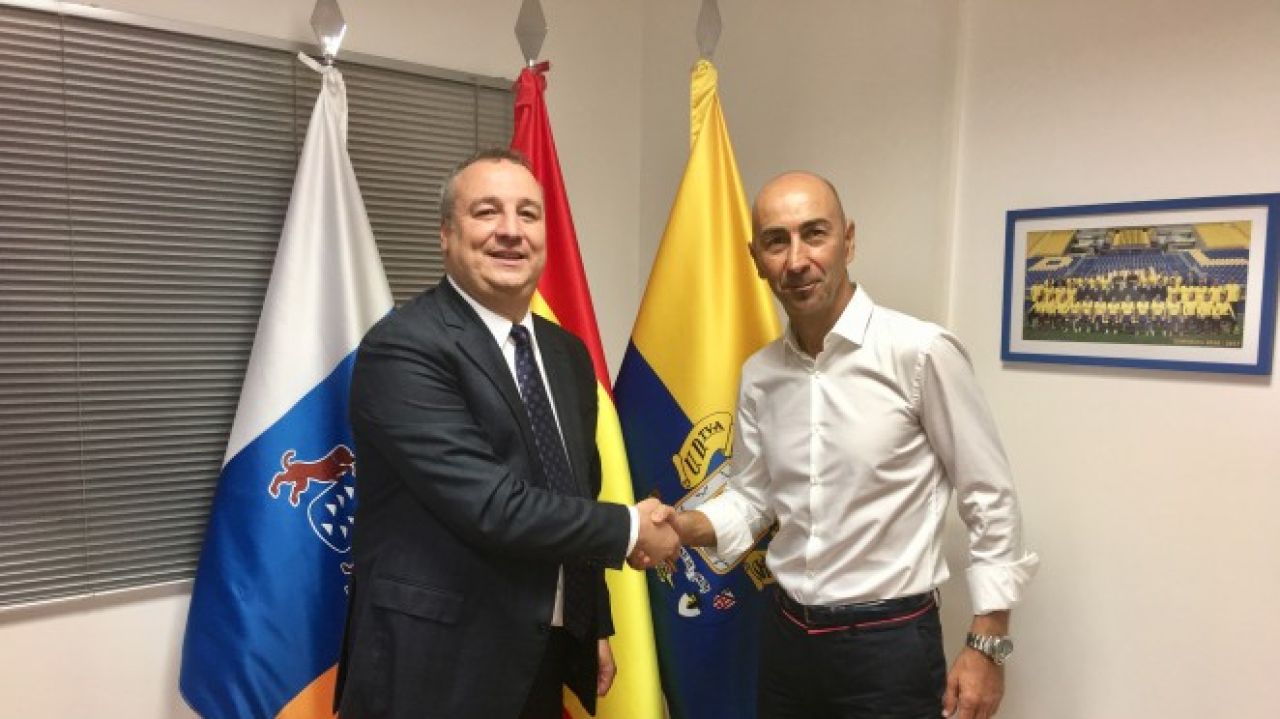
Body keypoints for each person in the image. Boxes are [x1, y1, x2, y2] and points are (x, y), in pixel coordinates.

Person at [666, 172, 1039, 719]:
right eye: (776, 241)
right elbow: (752, 498)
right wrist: (678, 527)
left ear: (848, 240)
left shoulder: (921, 353)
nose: (797, 260)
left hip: (889, 648)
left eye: (814, 234)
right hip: (787, 641)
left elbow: (990, 496)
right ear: (756, 259)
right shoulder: (760, 375)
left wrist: (988, 644)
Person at [335, 148, 680, 719]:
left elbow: (576, 490)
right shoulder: (404, 347)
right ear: (446, 234)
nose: (511, 231)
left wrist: (590, 621)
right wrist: (630, 528)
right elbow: (492, 505)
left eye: (528, 213)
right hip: (433, 666)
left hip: (540, 653)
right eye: (487, 212)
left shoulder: (566, 354)